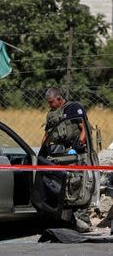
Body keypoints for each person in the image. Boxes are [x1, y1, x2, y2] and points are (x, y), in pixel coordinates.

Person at [41, 87, 92, 232]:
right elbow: (47, 134)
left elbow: (85, 129)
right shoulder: (52, 114)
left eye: (51, 102)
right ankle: (67, 220)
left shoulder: (74, 108)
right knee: (61, 185)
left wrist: (78, 144)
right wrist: (42, 150)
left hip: (76, 153)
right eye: (48, 103)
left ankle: (83, 220)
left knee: (77, 184)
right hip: (60, 154)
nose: (49, 105)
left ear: (59, 98)